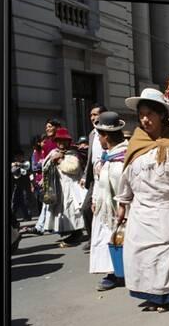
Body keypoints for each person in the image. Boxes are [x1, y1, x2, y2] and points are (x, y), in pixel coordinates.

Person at [116, 88, 169, 313]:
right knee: (139, 254)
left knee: (163, 256)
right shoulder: (135, 145)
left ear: (162, 116)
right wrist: (122, 202)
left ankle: (165, 297)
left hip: (168, 210)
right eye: (142, 114)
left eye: (150, 114)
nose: (145, 119)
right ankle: (149, 294)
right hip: (140, 212)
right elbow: (127, 177)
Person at [89, 112, 128, 291]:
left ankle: (120, 273)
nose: (98, 140)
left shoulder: (123, 156)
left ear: (106, 136)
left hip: (120, 208)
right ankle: (113, 272)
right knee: (109, 240)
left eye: (99, 136)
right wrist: (95, 198)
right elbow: (100, 181)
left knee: (120, 240)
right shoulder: (108, 155)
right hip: (105, 208)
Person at [43, 127, 86, 247]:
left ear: (68, 141)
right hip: (58, 187)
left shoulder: (72, 153)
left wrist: (60, 161)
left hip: (72, 187)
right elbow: (44, 166)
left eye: (64, 141)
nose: (62, 143)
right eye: (59, 141)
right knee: (63, 211)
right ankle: (70, 232)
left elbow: (74, 168)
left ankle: (76, 234)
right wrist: (52, 161)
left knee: (72, 210)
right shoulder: (53, 152)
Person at [80, 104, 108, 251]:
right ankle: (92, 238)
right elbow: (90, 158)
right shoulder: (92, 135)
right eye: (91, 115)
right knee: (86, 209)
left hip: (109, 176)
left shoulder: (111, 131)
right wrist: (85, 176)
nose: (93, 118)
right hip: (94, 179)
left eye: (96, 114)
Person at [28, 119, 61, 235]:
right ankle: (42, 226)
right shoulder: (47, 144)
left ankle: (43, 226)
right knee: (48, 203)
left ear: (56, 127)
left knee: (52, 203)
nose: (47, 129)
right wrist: (44, 177)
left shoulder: (60, 139)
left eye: (50, 126)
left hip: (60, 176)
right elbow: (45, 164)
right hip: (50, 177)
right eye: (46, 127)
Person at [11, 150, 32, 222]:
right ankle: (12, 216)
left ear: (22, 156)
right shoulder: (13, 165)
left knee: (25, 201)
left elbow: (27, 167)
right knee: (15, 201)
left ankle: (27, 216)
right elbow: (14, 172)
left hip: (25, 185)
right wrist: (17, 165)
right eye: (16, 157)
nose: (18, 158)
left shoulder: (26, 163)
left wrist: (18, 164)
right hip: (17, 186)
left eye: (19, 156)